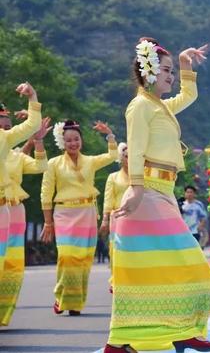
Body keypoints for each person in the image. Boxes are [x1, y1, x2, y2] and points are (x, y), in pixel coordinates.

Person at [105, 37, 210, 353]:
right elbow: (136, 146)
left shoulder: (159, 106)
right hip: (150, 193)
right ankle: (174, 332)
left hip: (164, 192)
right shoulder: (140, 105)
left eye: (171, 70)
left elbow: (190, 94)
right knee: (192, 265)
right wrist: (138, 188)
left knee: (157, 271)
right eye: (167, 70)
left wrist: (185, 64)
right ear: (150, 71)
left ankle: (159, 335)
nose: (170, 76)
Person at [40, 119, 118, 315]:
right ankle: (61, 295)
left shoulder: (90, 161)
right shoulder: (53, 164)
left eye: (76, 139)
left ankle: (75, 304)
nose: (73, 143)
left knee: (83, 260)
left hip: (87, 212)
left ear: (81, 140)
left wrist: (109, 135)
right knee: (67, 257)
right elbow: (46, 194)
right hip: (64, 213)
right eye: (68, 141)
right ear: (62, 143)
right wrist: (48, 222)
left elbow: (113, 155)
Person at [0, 107, 49, 326]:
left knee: (13, 269)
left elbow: (40, 166)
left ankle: (2, 316)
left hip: (15, 211)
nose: (4, 131)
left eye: (8, 127)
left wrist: (37, 141)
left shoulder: (17, 157)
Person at [0, 84, 42, 286]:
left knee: (6, 266)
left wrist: (32, 97)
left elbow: (32, 125)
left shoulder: (4, 139)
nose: (4, 129)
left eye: (6, 126)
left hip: (6, 208)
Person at [99, 143, 129, 290]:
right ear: (120, 158)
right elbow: (108, 199)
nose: (129, 159)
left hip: (136, 218)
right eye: (125, 156)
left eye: (132, 156)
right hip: (117, 217)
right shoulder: (113, 177)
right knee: (115, 249)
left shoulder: (142, 176)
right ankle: (115, 279)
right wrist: (105, 219)